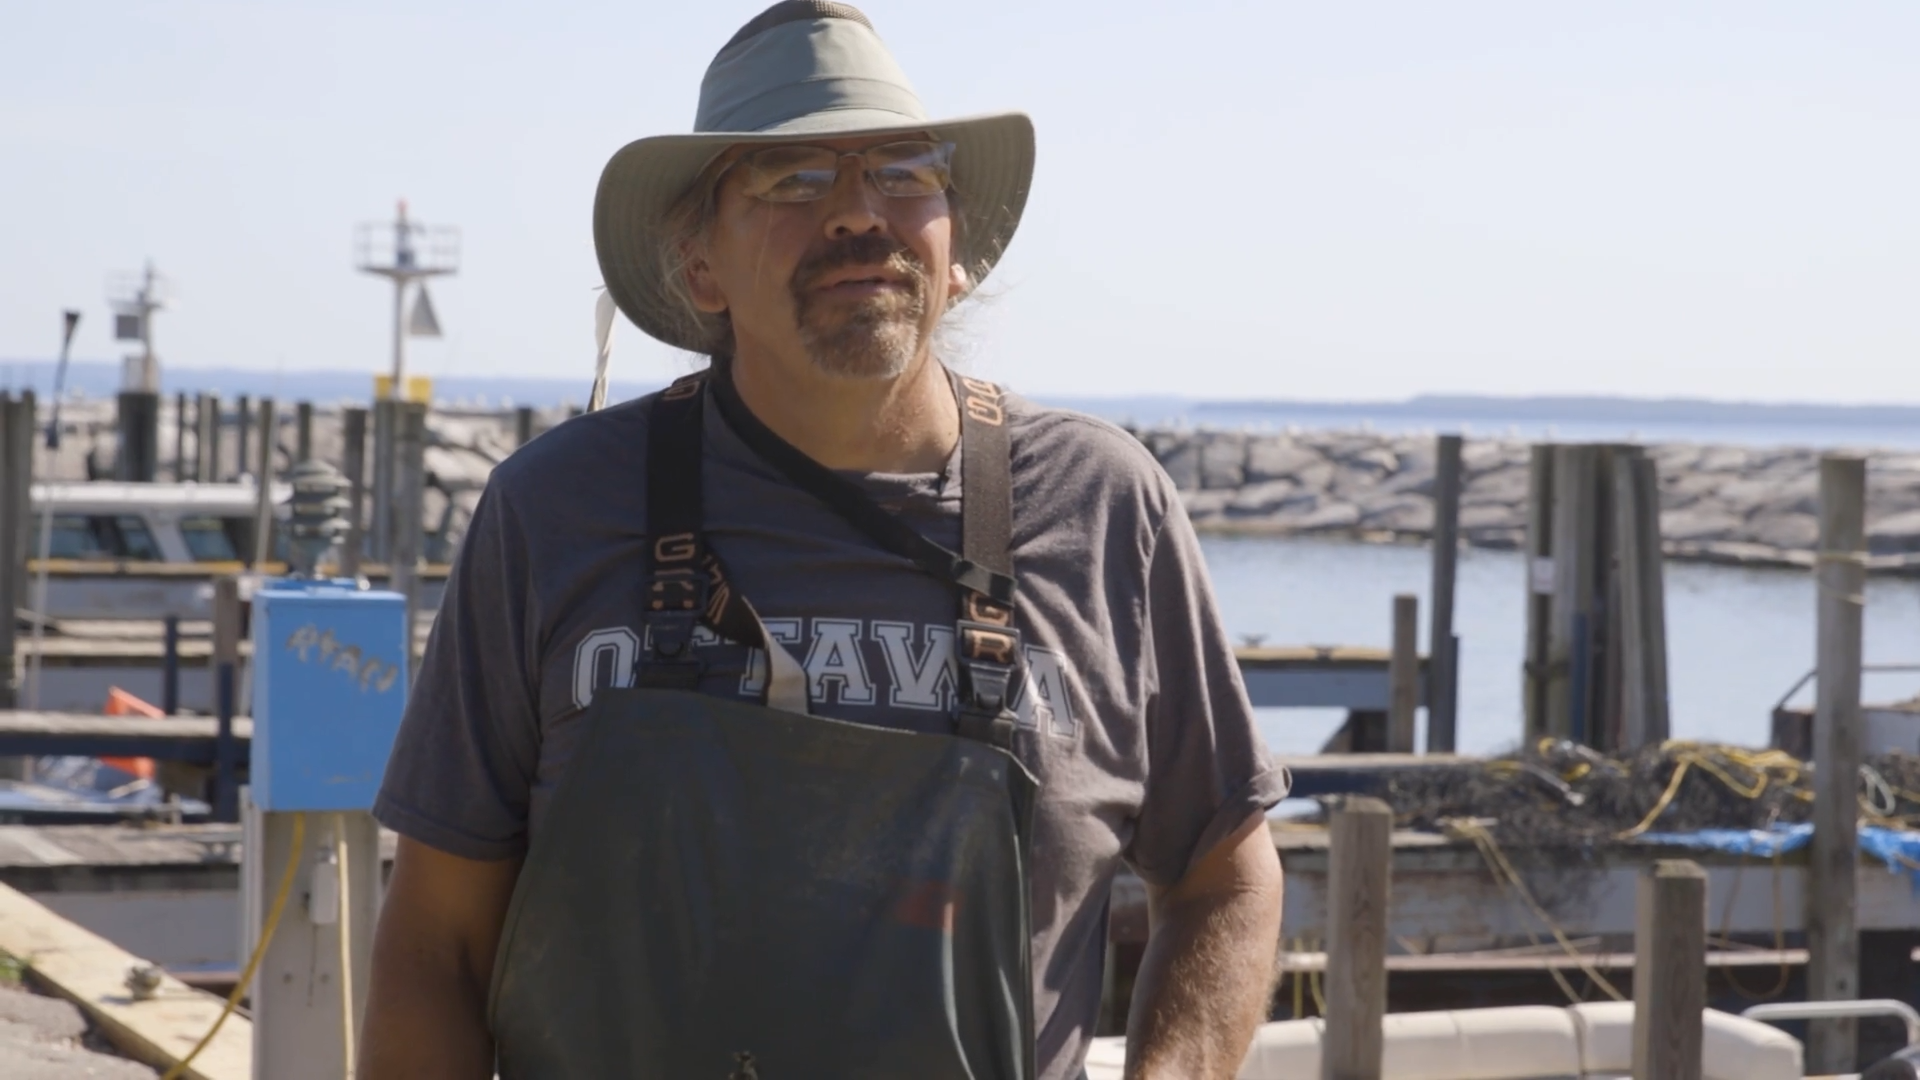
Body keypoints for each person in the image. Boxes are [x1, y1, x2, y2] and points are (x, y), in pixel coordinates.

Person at [358, 3, 1287, 1078]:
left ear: (959, 252)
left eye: (904, 171)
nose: (857, 213)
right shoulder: (553, 509)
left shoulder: (1104, 506)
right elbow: (437, 944)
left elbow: (1225, 877)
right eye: (791, 179)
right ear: (699, 269)